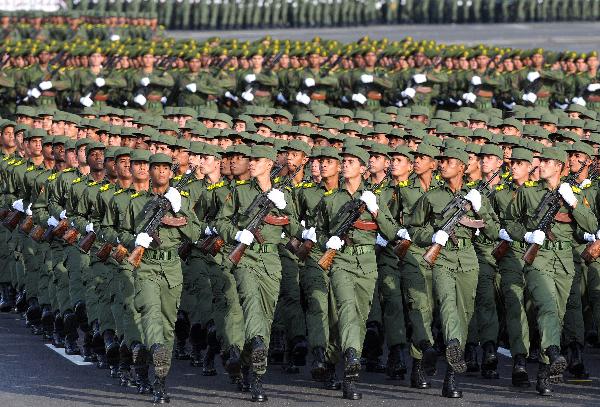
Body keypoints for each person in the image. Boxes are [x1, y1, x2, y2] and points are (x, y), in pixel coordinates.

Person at [504, 148, 597, 395]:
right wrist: (526, 235)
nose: (541, 165)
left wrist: (573, 202)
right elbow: (509, 222)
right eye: (541, 161)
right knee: (546, 305)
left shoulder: (574, 193)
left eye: (547, 161)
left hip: (565, 260)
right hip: (539, 257)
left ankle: (545, 372)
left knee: (557, 314)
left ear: (559, 167)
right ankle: (554, 352)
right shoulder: (528, 192)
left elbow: (591, 225)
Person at [409, 148, 499, 398]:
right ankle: (452, 343)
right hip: (443, 257)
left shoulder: (476, 195)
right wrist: (433, 236)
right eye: (441, 161)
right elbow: (413, 229)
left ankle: (451, 375)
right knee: (448, 304)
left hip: (468, 258)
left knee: (464, 313)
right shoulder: (432, 197)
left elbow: (493, 232)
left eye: (449, 162)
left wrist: (480, 209)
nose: (443, 165)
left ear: (461, 167)